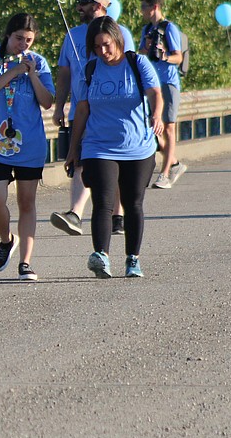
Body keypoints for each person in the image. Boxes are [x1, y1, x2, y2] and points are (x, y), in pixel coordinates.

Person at [65, 16, 163, 278]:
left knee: (133, 203)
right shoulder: (91, 69)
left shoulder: (136, 62)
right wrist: (73, 149)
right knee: (103, 202)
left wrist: (156, 115)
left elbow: (155, 92)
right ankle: (102, 256)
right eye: (96, 47)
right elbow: (82, 110)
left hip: (138, 146)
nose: (103, 52)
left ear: (117, 39)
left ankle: (133, 259)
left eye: (106, 45)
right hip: (98, 146)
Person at [49, 0, 135, 237]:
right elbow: (64, 73)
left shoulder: (122, 34)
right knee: (80, 160)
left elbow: (130, 70)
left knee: (116, 162)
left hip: (112, 111)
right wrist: (59, 106)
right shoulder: (72, 35)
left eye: (83, 3)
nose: (78, 8)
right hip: (81, 109)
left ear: (98, 5)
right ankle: (75, 214)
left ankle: (117, 215)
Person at [0, 13, 55, 281]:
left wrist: (31, 74)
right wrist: (13, 71)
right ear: (8, 36)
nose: (23, 45)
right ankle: (7, 240)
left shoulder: (39, 62)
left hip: (29, 144)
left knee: (26, 202)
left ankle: (26, 263)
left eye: (29, 40)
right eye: (19, 38)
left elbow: (47, 101)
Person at [139, 0, 187, 189]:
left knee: (168, 127)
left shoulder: (169, 28)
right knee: (152, 128)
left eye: (144, 7)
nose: (141, 11)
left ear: (154, 7)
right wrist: (148, 48)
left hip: (167, 82)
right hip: (151, 83)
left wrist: (164, 56)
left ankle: (165, 173)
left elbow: (179, 57)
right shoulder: (147, 30)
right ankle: (174, 163)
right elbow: (141, 54)